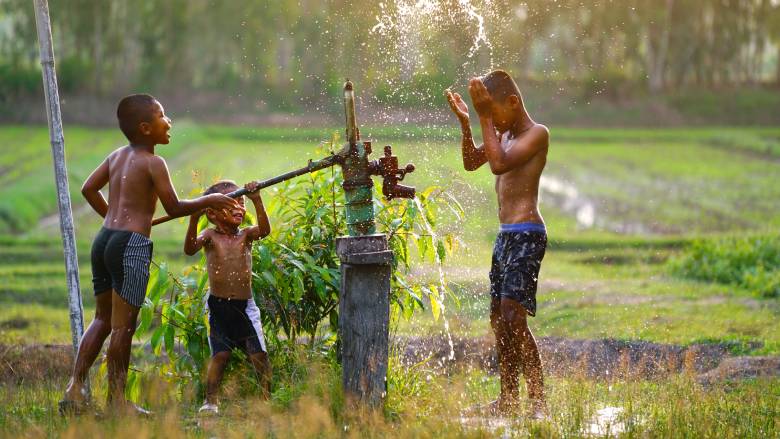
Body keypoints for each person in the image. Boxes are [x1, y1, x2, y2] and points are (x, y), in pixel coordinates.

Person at [59, 94, 239, 416]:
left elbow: (88, 188)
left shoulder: (116, 156)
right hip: (131, 245)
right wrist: (211, 201)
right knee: (123, 327)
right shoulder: (155, 162)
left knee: (101, 318)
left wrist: (111, 217)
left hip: (104, 240)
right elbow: (174, 207)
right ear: (145, 128)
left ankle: (75, 388)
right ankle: (117, 404)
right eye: (162, 116)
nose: (169, 121)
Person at [446, 70, 550, 418]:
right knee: (499, 319)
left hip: (527, 234)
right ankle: (508, 399)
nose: (491, 118)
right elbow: (473, 161)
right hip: (505, 235)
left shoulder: (537, 135)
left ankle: (536, 401)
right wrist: (467, 123)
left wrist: (483, 115)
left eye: (494, 110)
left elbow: (498, 164)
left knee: (513, 316)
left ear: (513, 103)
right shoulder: (502, 132)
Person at [184, 180, 272, 415]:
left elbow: (265, 231)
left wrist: (256, 199)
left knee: (259, 355)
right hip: (219, 307)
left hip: (245, 307)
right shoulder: (209, 236)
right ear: (211, 214)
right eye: (231, 204)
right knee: (220, 355)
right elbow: (190, 249)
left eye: (241, 203)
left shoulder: (246, 236)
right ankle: (210, 401)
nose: (239, 209)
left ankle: (266, 400)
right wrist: (193, 218)